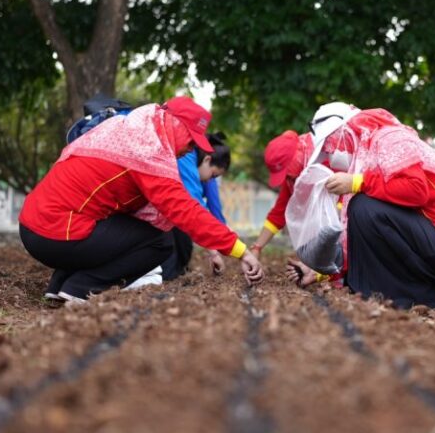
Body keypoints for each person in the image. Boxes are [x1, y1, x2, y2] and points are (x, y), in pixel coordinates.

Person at [18, 97, 264, 303]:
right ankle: (81, 289)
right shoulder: (149, 150)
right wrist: (241, 251)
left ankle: (60, 286)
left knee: (123, 225)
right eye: (191, 141)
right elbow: (185, 211)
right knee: (159, 242)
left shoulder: (132, 127)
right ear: (176, 126)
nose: (191, 150)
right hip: (56, 232)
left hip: (35, 225)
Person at [297, 103, 435, 309]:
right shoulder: (368, 152)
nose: (330, 155)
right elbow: (357, 239)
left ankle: (415, 295)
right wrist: (322, 272)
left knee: (364, 208)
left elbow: (416, 190)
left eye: (329, 147)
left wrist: (359, 182)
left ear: (343, 133)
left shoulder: (390, 138)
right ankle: (388, 292)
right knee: (362, 209)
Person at [160, 132, 233, 280]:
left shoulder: (191, 157)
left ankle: (174, 274)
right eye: (213, 175)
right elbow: (196, 209)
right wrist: (214, 252)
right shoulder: (187, 159)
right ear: (207, 159)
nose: (210, 181)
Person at [248, 128, 317, 259]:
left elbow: (338, 213)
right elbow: (278, 213)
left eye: (287, 174)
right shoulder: (291, 179)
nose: (288, 179)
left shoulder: (323, 159)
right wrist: (257, 247)